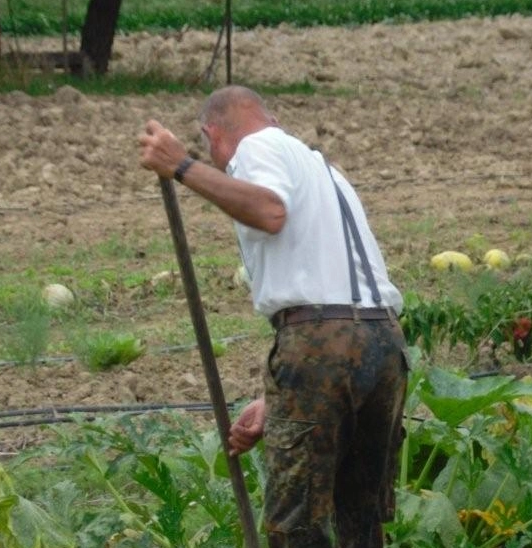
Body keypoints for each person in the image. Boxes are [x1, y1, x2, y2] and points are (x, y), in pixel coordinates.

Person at [138, 85, 408, 547]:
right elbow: (339, 300)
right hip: (383, 344)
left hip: (321, 348)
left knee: (295, 522)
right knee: (361, 521)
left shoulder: (255, 147)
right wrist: (278, 401)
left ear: (213, 134)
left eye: (213, 153)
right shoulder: (324, 171)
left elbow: (268, 210)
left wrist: (183, 167)